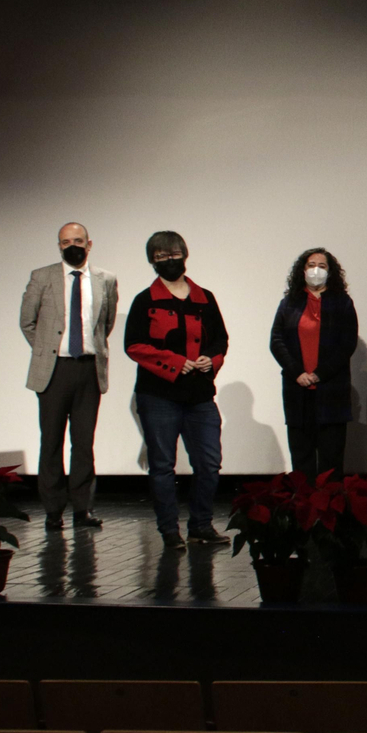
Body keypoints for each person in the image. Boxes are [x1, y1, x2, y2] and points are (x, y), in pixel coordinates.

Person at [123, 231, 229, 550]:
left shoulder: (204, 297)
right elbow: (134, 345)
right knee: (163, 466)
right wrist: (174, 362)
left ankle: (201, 525)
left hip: (199, 395)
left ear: (185, 254)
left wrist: (211, 360)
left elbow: (220, 339)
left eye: (174, 254)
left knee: (209, 463)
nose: (169, 261)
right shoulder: (145, 300)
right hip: (158, 396)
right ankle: (170, 530)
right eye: (160, 256)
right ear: (152, 261)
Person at [19, 222, 118, 531]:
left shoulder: (106, 279)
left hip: (88, 369)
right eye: (65, 242)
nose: (71, 245)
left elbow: (107, 323)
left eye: (77, 240)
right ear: (58, 245)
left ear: (89, 244)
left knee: (83, 442)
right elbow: (27, 322)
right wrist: (50, 349)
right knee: (51, 441)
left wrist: (90, 348)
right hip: (54, 369)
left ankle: (82, 509)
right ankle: (52, 510)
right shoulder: (42, 277)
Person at [269, 248, 358, 481]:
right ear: (303, 269)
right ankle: (303, 511)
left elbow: (347, 344)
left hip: (331, 390)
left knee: (331, 459)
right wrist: (297, 372)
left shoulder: (342, 303)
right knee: (302, 457)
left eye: (322, 265)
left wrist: (319, 374)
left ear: (331, 272)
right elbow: (277, 341)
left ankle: (330, 512)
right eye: (311, 264)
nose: (316, 269)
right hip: (297, 391)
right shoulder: (290, 303)